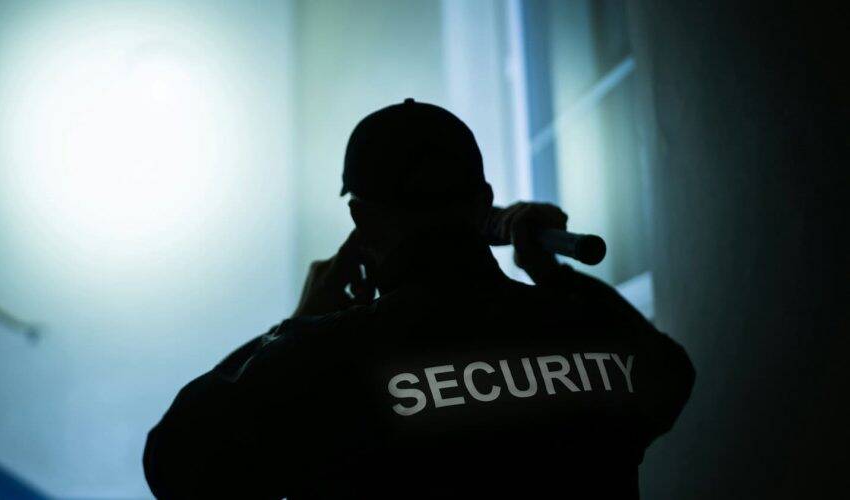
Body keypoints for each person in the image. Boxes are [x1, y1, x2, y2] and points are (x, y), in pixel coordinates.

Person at [143, 99, 694, 499]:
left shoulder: (322, 359)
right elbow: (672, 375)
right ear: (484, 203)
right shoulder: (590, 335)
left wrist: (298, 322)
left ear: (361, 219)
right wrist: (551, 275)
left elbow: (176, 466)